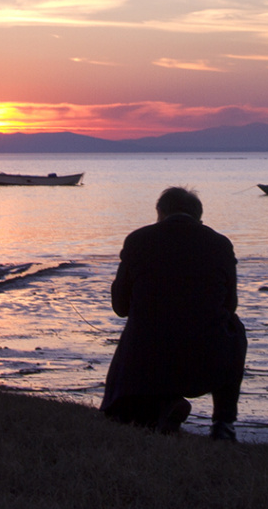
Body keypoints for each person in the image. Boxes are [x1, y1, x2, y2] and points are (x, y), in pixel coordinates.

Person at [100, 187, 246, 441]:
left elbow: (120, 307)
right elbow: (230, 305)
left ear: (160, 213)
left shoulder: (138, 240)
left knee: (139, 325)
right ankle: (224, 421)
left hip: (147, 359)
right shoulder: (220, 244)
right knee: (234, 327)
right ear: (199, 217)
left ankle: (164, 403)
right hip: (206, 358)